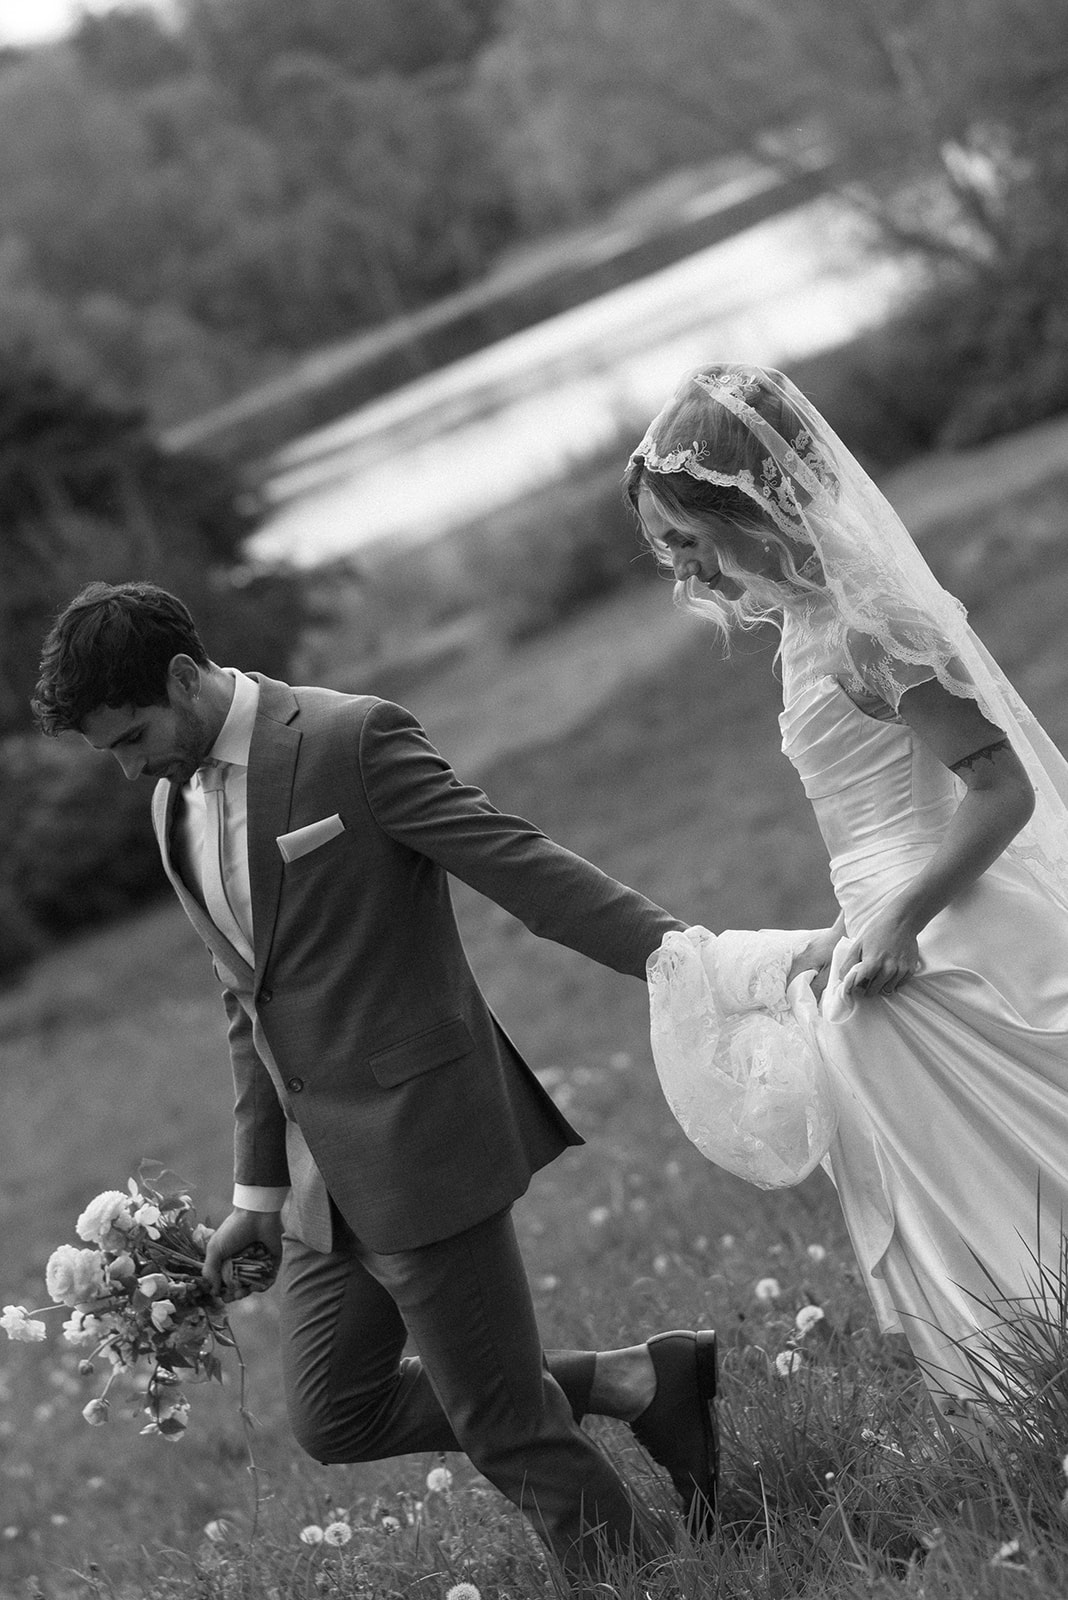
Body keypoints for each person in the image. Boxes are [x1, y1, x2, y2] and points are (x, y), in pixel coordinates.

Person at [32, 581, 719, 1588]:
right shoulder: (172, 807)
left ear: (182, 677)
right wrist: (256, 1194)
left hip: (420, 1133)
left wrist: (696, 963)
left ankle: (645, 1580)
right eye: (113, 753)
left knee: (506, 1428)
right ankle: (641, 1380)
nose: (132, 766)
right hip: (319, 1176)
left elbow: (519, 864)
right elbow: (249, 1001)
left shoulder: (351, 741)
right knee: (333, 1413)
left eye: (133, 736)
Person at [625, 363, 1068, 1424]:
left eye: (686, 535)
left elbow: (999, 788)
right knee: (924, 1137)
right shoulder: (801, 627)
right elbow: (860, 816)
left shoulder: (866, 626)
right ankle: (1026, 1379)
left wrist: (902, 919)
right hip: (876, 926)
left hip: (944, 920)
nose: (680, 563)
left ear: (751, 505)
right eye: (665, 544)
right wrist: (851, 925)